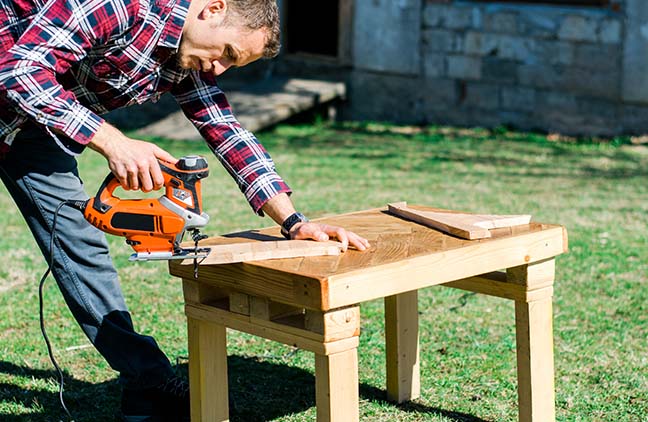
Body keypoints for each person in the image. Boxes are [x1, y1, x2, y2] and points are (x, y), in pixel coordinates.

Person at [0, 0, 370, 420]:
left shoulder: (187, 59)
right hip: (15, 94)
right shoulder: (121, 5)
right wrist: (114, 142)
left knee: (81, 247)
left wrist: (293, 221)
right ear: (212, 9)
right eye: (227, 53)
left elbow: (226, 131)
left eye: (233, 65)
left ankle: (147, 383)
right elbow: (18, 70)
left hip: (30, 129)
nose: (218, 70)